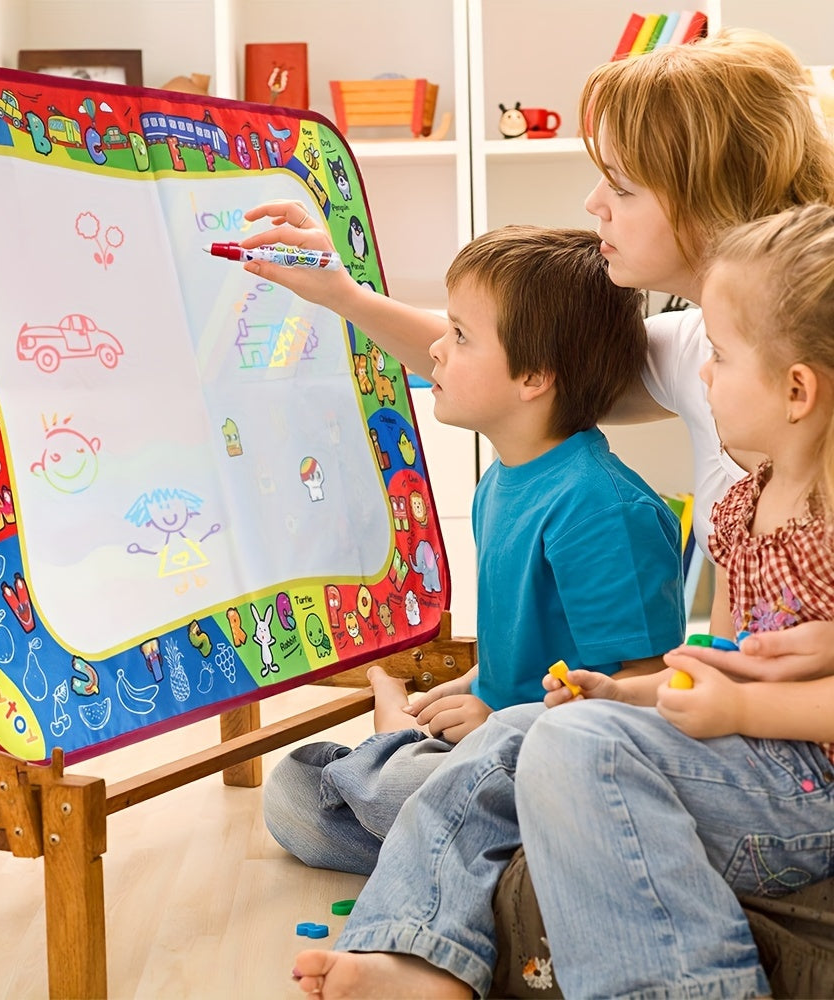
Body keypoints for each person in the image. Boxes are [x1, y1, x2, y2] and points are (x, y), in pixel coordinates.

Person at [240, 27, 834, 1000]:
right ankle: (419, 937)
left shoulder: (751, 376)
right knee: (416, 775)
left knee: (521, 773)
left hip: (773, 773)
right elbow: (494, 354)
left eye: (623, 184)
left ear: (705, 201)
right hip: (708, 746)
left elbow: (518, 361)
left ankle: (436, 920)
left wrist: (693, 699)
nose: (593, 204)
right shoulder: (699, 350)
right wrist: (338, 295)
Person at [262, 226, 685, 875]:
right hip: (489, 750)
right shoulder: (501, 482)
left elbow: (634, 690)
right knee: (299, 792)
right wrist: (476, 684)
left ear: (535, 377)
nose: (435, 347)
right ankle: (460, 834)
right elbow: (527, 648)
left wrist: (495, 714)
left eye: (460, 335)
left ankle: (454, 823)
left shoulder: (601, 510)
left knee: (315, 795)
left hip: (555, 763)